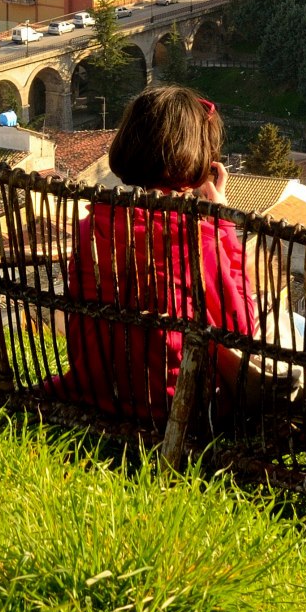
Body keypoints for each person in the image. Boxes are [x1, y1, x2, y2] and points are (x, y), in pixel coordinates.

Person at [59, 85, 257, 424]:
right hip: (176, 409)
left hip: (95, 389)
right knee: (297, 328)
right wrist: (222, 224)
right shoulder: (195, 236)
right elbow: (241, 331)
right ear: (198, 159)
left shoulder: (92, 228)